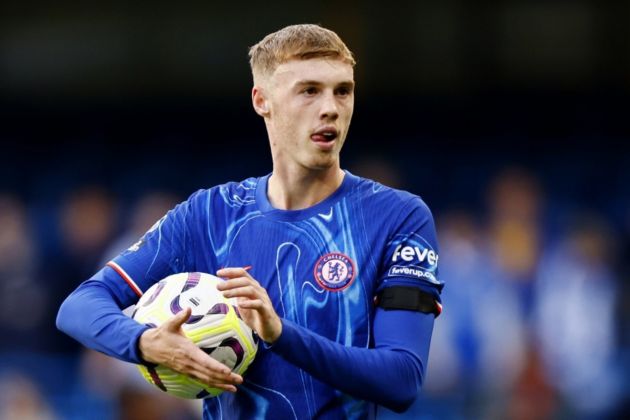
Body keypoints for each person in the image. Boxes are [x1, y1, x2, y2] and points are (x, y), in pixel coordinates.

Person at [57, 23, 443, 419]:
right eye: (309, 91)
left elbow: (402, 379)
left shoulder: (398, 217)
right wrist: (146, 342)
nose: (330, 107)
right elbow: (80, 305)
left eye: (342, 90)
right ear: (262, 100)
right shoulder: (209, 214)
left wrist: (279, 333)